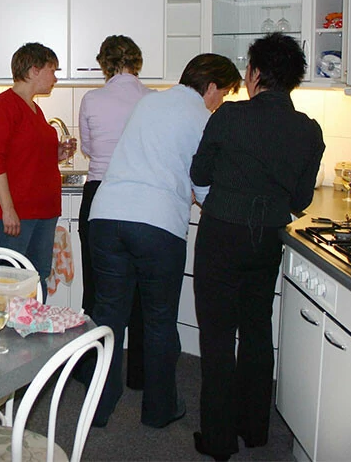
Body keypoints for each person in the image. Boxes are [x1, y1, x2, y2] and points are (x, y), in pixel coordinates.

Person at [88, 53, 242, 429]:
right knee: (158, 321)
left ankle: (98, 407)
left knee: (108, 317)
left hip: (106, 216)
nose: (220, 101)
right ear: (210, 87)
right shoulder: (203, 118)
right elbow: (202, 180)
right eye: (222, 93)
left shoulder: (150, 101)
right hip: (155, 225)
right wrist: (208, 202)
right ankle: (158, 411)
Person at [190, 33, 325, 461]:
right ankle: (255, 429)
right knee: (256, 330)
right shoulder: (308, 130)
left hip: (222, 233)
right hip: (267, 238)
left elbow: (200, 169)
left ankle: (218, 440)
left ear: (255, 73)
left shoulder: (229, 116)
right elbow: (301, 200)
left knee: (216, 338)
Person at [77, 35, 153, 389]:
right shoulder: (154, 101)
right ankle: (138, 374)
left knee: (97, 288)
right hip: (140, 198)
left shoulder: (92, 99)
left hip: (100, 195)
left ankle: (94, 370)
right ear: (136, 62)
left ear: (103, 63)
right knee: (140, 290)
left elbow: (90, 149)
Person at [0, 42, 76, 298]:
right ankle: (8, 337)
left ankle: (33, 333)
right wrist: (8, 209)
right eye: (52, 70)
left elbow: (25, 156)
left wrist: (57, 153)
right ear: (34, 70)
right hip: (16, 214)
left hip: (42, 212)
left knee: (36, 279)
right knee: (10, 283)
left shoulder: (35, 109)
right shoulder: (0, 107)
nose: (55, 78)